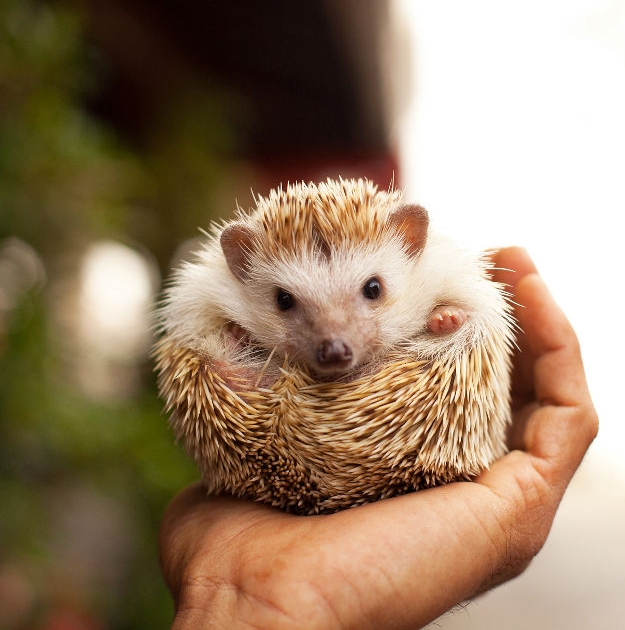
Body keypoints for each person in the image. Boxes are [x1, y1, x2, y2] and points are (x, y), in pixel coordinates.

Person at [158, 247, 599, 628]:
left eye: (371, 292)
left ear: (411, 244)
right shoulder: (219, 309)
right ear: (239, 264)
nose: (333, 342)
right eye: (287, 301)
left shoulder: (443, 289)